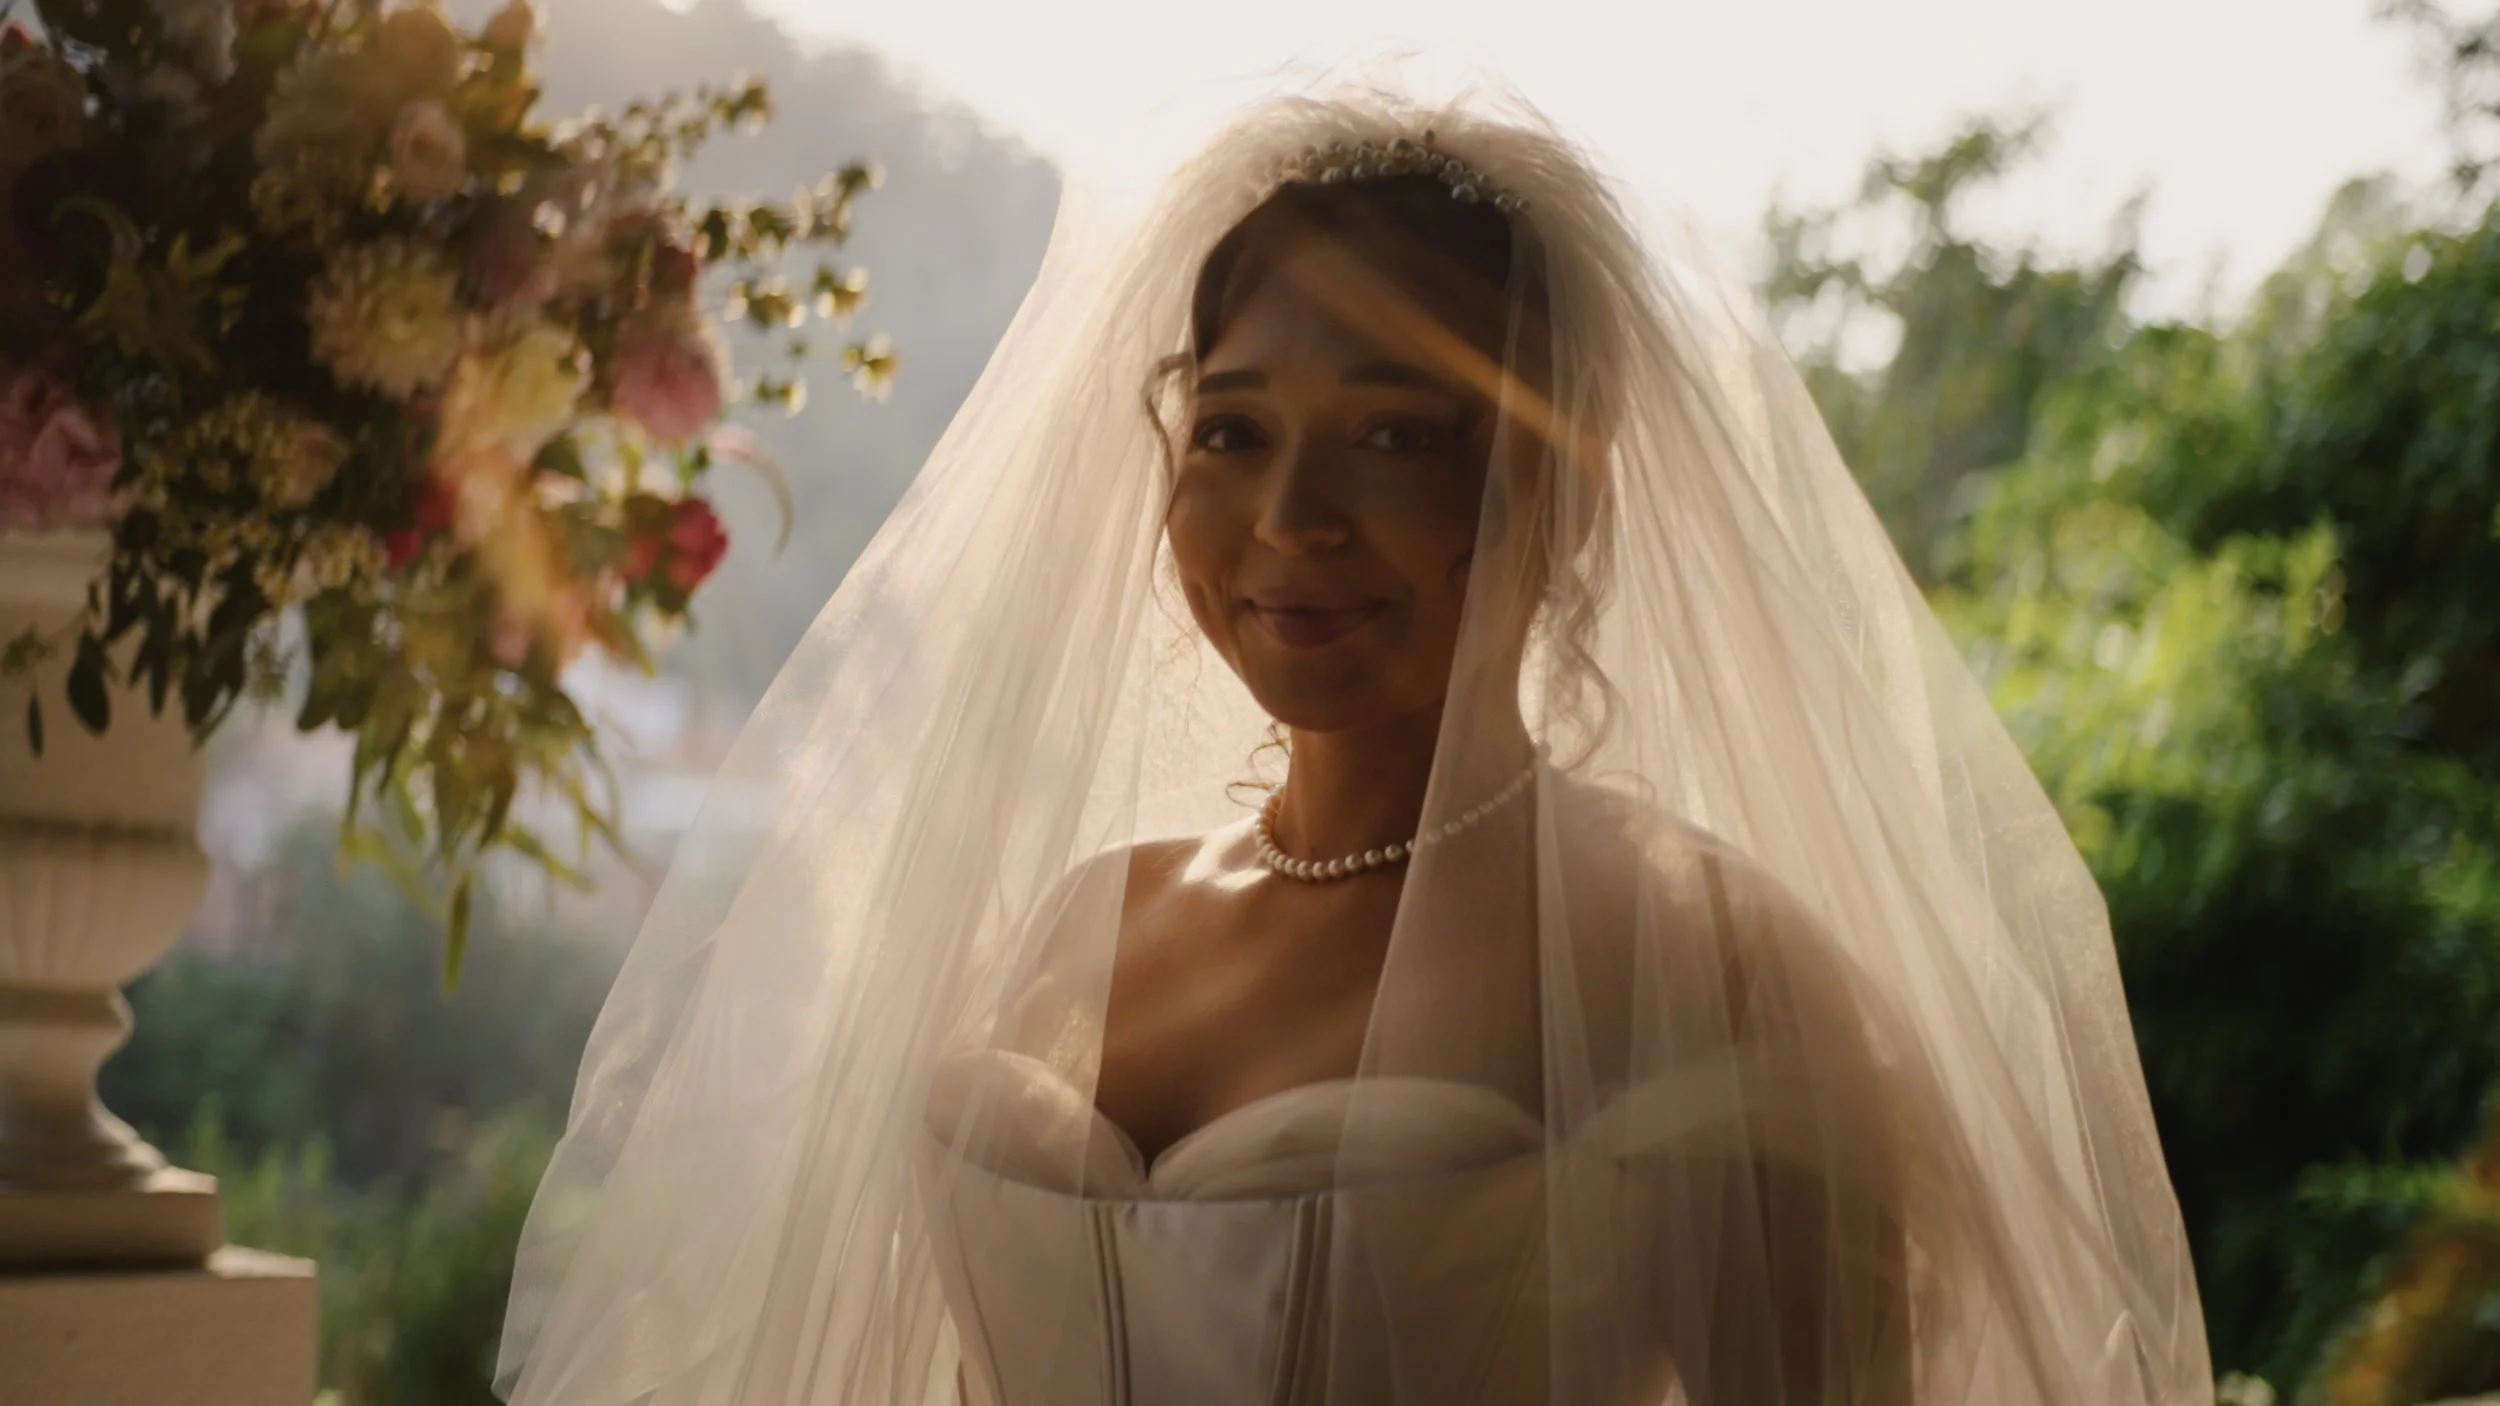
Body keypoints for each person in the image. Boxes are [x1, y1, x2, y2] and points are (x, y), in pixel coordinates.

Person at [496, 87, 2213, 1406]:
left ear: (1557, 487)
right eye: (1233, 430)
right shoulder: (1090, 912)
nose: (1289, 518)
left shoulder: (1700, 957)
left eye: (1392, 434)